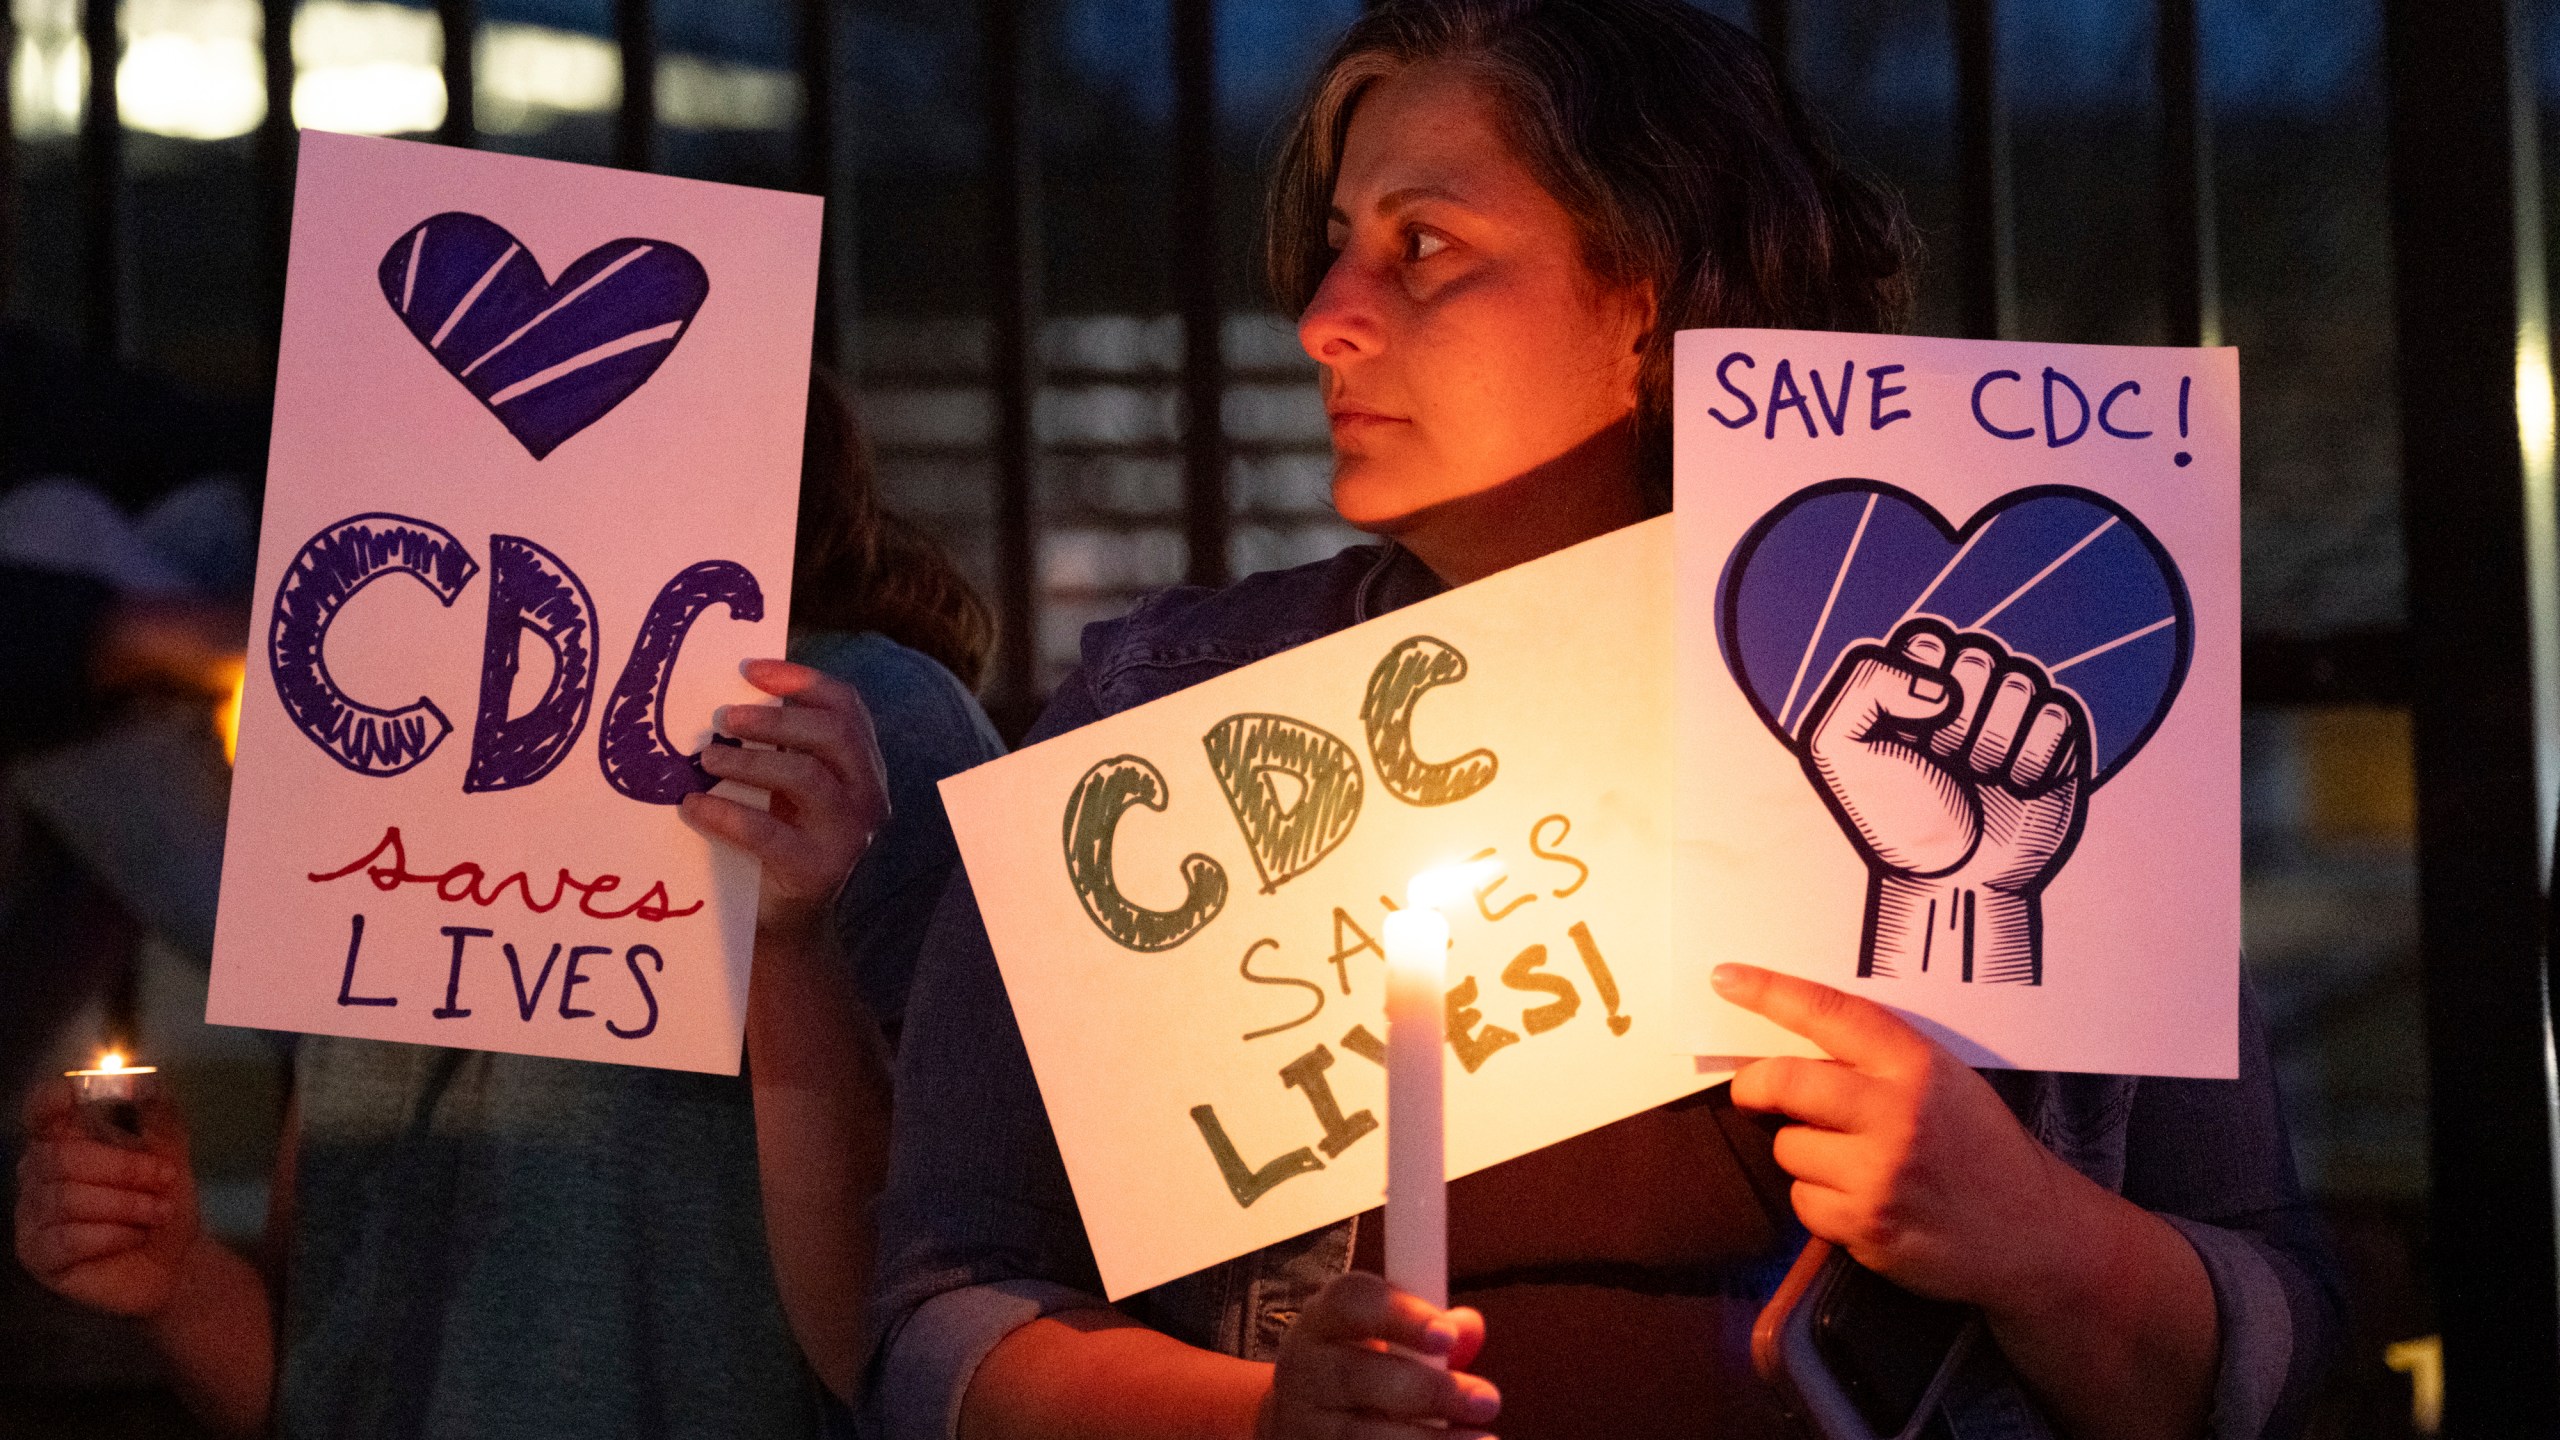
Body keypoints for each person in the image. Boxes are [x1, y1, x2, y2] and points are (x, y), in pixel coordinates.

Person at [862, 4, 2340, 1439]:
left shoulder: (1981, 738)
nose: (1324, 322)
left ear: (1650, 300)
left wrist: (2036, 1235)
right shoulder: (1172, 721)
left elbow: (2268, 1358)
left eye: (1421, 248)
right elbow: (937, 1325)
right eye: (1333, 252)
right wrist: (1262, 1417)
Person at [14, 369, 1005, 1439]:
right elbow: (320, 1370)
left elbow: (929, 1343)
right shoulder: (379, 738)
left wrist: (782, 949)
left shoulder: (857, 727)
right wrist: (175, 1277)